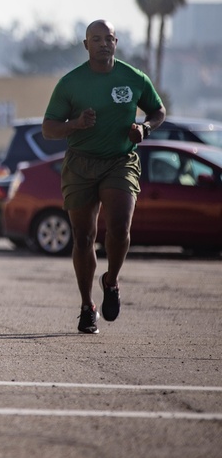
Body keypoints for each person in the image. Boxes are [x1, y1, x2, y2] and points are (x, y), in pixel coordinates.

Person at [41, 19, 165, 335]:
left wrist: (144, 128)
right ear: (86, 45)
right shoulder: (71, 83)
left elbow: (157, 110)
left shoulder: (133, 77)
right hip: (81, 164)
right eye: (96, 39)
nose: (103, 43)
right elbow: (49, 128)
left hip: (119, 161)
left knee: (120, 226)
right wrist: (75, 124)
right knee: (83, 236)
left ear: (116, 42)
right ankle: (87, 306)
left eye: (108, 38)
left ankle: (111, 281)